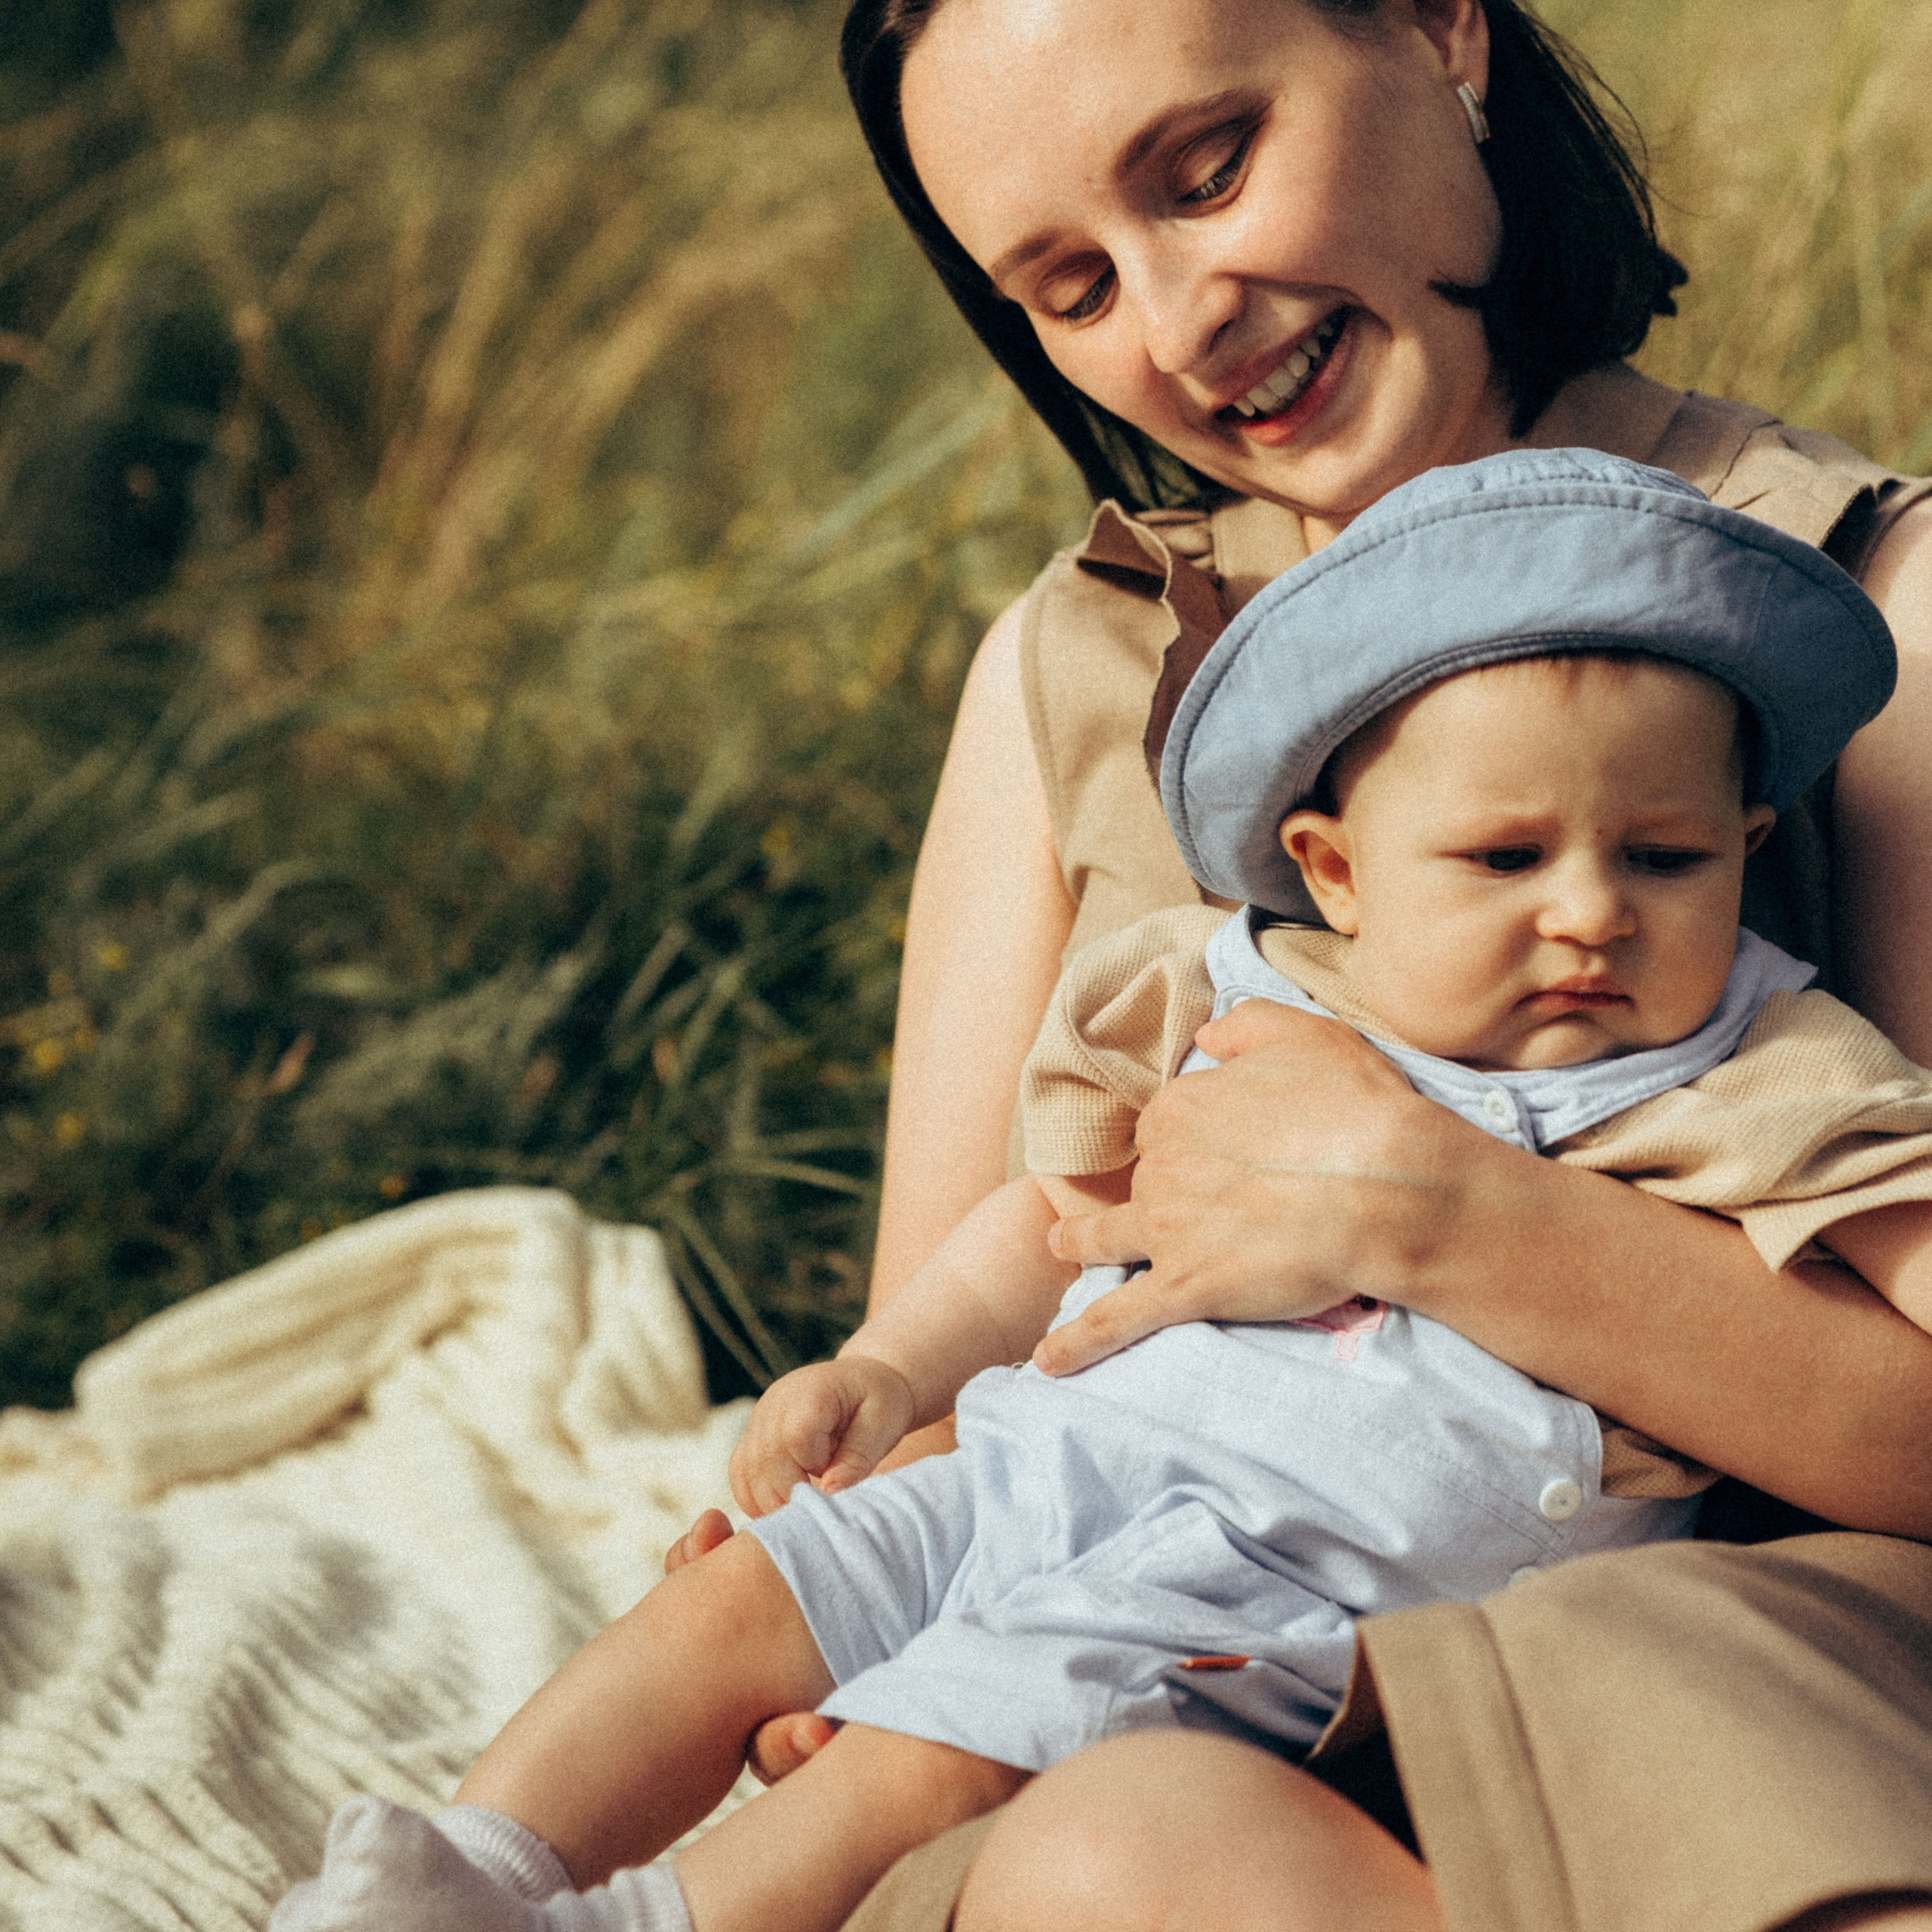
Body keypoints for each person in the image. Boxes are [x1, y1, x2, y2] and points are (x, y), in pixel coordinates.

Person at [268, 450, 1932, 1932]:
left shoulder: (1737, 1058)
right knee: (737, 1598)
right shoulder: (1243, 993)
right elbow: (1051, 1216)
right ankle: (472, 1863)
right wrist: (892, 1370)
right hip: (1047, 1460)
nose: (1590, 914)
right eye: (1505, 858)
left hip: (1283, 1578)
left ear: (1747, 840)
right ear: (1332, 873)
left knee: (936, 1750)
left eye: (1664, 857)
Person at [715, 2, 1932, 1929]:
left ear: (1442, 30)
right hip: (1135, 1680)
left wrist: (1424, 1207)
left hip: (1681, 1667)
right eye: (1068, 280)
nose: (1177, 316)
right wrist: (829, 1535)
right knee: (1099, 1855)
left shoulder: (1862, 602)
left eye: (1203, 171)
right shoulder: (1076, 664)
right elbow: (949, 1367)